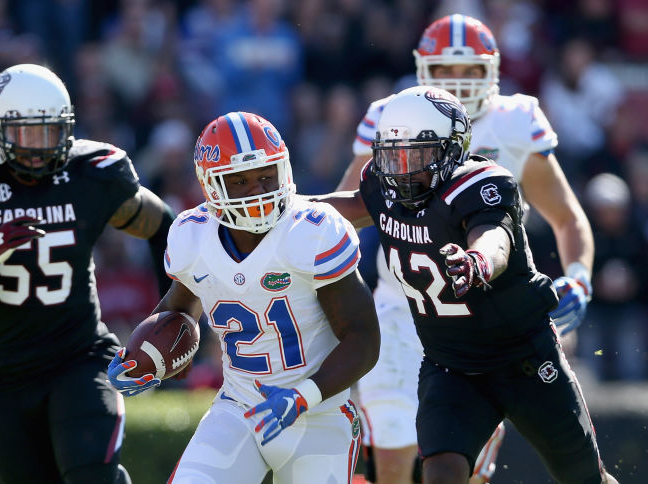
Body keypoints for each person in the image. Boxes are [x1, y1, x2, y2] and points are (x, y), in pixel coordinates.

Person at [336, 14, 595, 484]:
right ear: (421, 71)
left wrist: (577, 274)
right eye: (445, 70)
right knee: (394, 458)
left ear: (491, 71)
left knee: (473, 471)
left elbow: (565, 216)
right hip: (403, 308)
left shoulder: (514, 123)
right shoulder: (394, 114)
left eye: (469, 71)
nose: (456, 82)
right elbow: (351, 207)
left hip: (492, 321)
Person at [0, 63, 175, 484]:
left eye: (49, 131)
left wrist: (172, 313)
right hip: (1, 373)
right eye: (25, 133)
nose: (38, 147)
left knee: (94, 476)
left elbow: (164, 227)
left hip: (77, 357)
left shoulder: (90, 175)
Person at [108, 111, 380, 483]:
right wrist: (147, 358)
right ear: (211, 185)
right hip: (239, 407)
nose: (258, 190)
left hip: (320, 414)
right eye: (240, 181)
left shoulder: (311, 231)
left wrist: (303, 396)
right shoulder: (193, 237)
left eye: (267, 175)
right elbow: (180, 310)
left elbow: (364, 339)